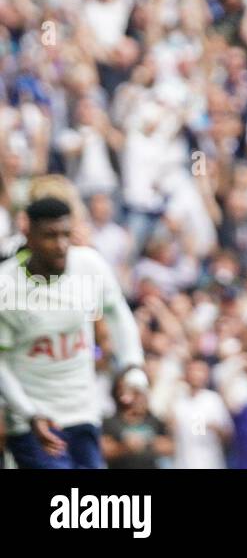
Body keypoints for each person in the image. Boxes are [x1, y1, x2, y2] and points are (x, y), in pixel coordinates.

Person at [0, 195, 147, 468]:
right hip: (35, 423)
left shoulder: (89, 266)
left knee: (93, 509)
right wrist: (28, 413)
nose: (61, 245)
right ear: (28, 235)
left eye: (66, 234)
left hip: (83, 412)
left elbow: (118, 314)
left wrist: (132, 368)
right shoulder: (6, 286)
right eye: (50, 236)